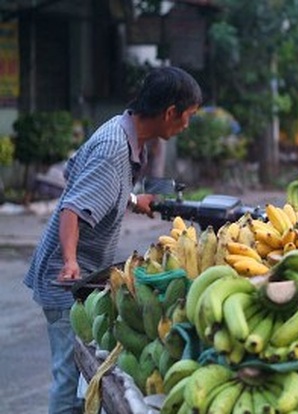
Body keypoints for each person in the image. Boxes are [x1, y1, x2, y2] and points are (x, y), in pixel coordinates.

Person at [24, 66, 202, 413]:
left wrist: (135, 200)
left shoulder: (124, 132)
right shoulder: (113, 148)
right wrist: (72, 261)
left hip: (79, 273)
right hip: (67, 278)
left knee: (81, 377)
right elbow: (73, 208)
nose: (187, 125)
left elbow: (80, 177)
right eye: (189, 116)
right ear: (170, 113)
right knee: (69, 375)